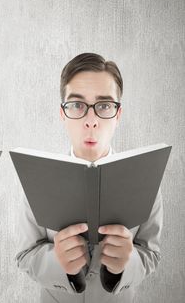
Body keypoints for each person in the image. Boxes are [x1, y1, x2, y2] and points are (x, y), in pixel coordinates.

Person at [15, 53, 162, 302]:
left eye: (104, 105)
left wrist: (126, 264)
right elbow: (25, 256)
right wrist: (57, 262)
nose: (91, 121)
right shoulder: (39, 179)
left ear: (118, 114)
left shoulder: (145, 179)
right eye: (77, 105)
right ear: (62, 113)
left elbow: (151, 255)